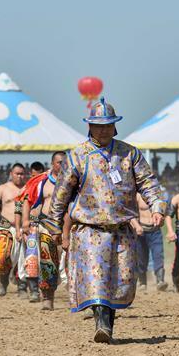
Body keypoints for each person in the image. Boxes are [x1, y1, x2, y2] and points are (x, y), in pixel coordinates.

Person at [43, 98, 167, 343]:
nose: (103, 129)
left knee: (119, 281)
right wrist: (54, 226)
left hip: (122, 230)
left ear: (115, 126)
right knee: (96, 279)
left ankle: (107, 323)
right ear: (89, 126)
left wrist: (158, 207)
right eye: (98, 125)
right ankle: (102, 325)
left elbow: (148, 183)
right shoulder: (77, 156)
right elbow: (61, 195)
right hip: (90, 231)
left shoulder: (129, 154)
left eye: (108, 125)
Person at [17, 151, 66, 309]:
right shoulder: (42, 182)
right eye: (59, 162)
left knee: (72, 263)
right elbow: (27, 200)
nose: (62, 165)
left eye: (65, 162)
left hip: (68, 226)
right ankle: (47, 298)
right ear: (53, 163)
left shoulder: (75, 181)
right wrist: (25, 221)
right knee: (47, 262)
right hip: (46, 225)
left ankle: (78, 297)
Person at [0, 163, 27, 297]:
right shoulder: (3, 189)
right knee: (3, 256)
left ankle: (22, 288)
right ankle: (3, 284)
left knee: (24, 258)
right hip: (6, 228)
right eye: (17, 173)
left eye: (22, 173)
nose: (20, 176)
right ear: (11, 173)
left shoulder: (28, 188)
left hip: (24, 228)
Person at [132, 192, 167, 292]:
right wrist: (137, 226)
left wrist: (162, 220)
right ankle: (142, 282)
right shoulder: (137, 196)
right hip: (141, 231)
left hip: (155, 231)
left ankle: (160, 281)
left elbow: (164, 212)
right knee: (141, 258)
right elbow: (130, 213)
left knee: (158, 255)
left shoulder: (160, 196)